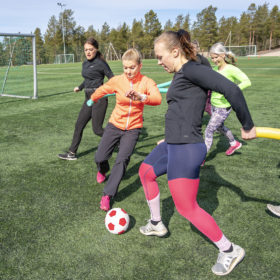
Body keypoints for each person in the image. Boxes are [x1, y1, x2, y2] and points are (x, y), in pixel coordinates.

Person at [138, 30, 256, 276]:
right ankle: (157, 223)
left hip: (187, 147)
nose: (158, 62)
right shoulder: (186, 70)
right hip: (173, 143)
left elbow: (232, 89)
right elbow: (182, 108)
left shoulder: (192, 70)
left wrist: (247, 125)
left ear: (175, 52)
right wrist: (168, 137)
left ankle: (229, 249)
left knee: (186, 208)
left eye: (161, 57)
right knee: (146, 171)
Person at [87, 48, 162, 211]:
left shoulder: (147, 82)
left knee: (122, 160)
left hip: (133, 128)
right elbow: (103, 89)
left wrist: (141, 97)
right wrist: (92, 99)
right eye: (125, 67)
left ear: (140, 66)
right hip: (114, 125)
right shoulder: (117, 81)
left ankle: (107, 195)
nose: (128, 71)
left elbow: (157, 99)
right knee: (100, 156)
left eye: (132, 67)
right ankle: (102, 168)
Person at [58, 37, 114, 160]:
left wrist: (108, 88)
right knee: (79, 125)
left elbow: (112, 78)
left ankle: (119, 141)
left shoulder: (101, 63)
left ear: (96, 49)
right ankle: (72, 153)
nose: (88, 52)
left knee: (97, 130)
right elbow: (88, 79)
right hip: (88, 98)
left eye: (91, 49)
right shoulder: (85, 63)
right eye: (86, 50)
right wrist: (80, 87)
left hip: (99, 98)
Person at [204, 43, 252, 157]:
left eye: (216, 57)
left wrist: (230, 92)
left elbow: (247, 82)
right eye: (212, 58)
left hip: (223, 107)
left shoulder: (231, 69)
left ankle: (201, 157)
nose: (214, 60)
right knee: (219, 127)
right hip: (214, 105)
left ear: (223, 55)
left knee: (209, 130)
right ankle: (234, 143)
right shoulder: (214, 69)